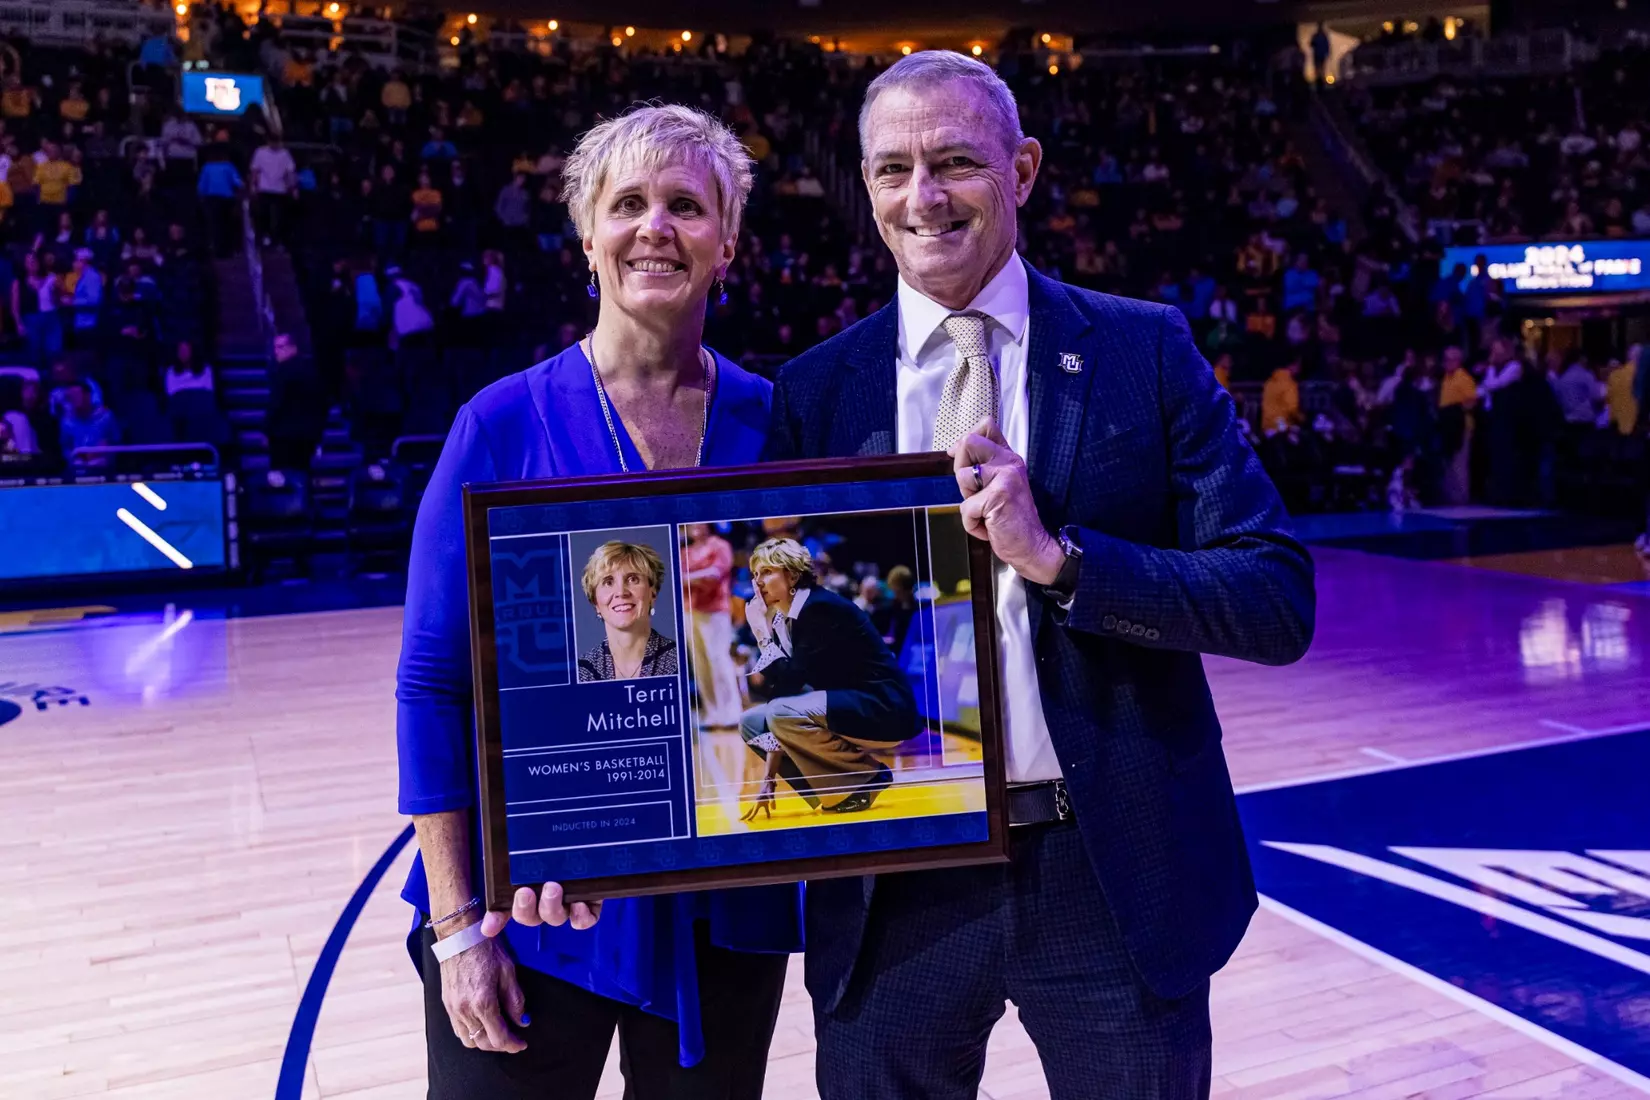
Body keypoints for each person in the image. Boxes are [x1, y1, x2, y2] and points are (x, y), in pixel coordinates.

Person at [763, 52, 1314, 1098]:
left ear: (1021, 170)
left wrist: (1059, 560)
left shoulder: (1144, 350)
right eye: (891, 170)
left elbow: (1275, 594)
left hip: (1107, 863)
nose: (920, 197)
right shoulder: (816, 390)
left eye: (955, 162)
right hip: (897, 871)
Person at [397, 103, 798, 1100]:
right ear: (588, 236)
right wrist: (456, 929)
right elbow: (431, 682)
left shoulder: (777, 420)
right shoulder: (499, 422)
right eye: (628, 203)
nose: (655, 226)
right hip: (527, 902)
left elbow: (797, 654)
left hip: (726, 904)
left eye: (686, 206)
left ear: (728, 242)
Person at [737, 537, 915, 820]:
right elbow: (783, 695)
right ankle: (828, 791)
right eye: (755, 574)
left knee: (779, 713)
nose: (758, 582)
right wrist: (768, 776)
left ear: (792, 575)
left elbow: (790, 687)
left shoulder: (819, 609)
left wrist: (760, 633)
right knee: (751, 723)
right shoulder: (786, 619)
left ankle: (865, 776)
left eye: (767, 572)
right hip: (845, 707)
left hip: (883, 708)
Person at [575, 540, 679, 681]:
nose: (621, 592)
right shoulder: (582, 672)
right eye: (608, 582)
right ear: (596, 603)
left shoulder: (681, 660)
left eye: (632, 579)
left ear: (652, 593)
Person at [681, 523, 741, 728]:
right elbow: (674, 578)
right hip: (690, 609)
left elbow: (715, 574)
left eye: (698, 523)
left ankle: (731, 712)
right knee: (700, 663)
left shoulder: (720, 546)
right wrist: (695, 578)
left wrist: (688, 578)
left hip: (715, 610)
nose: (694, 528)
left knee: (718, 659)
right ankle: (713, 713)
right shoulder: (685, 552)